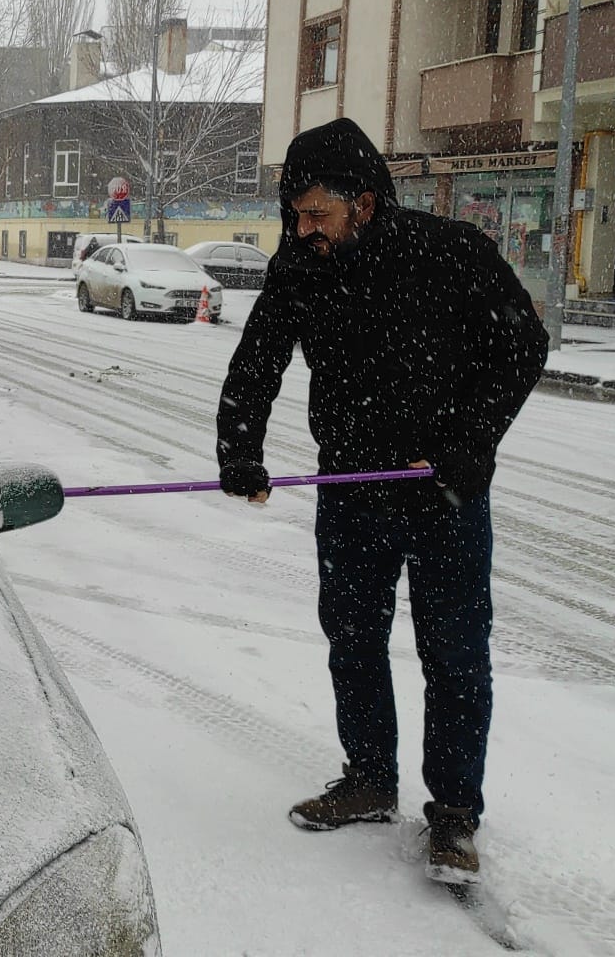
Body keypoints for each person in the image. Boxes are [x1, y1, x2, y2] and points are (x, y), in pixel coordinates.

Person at [215, 117, 548, 883]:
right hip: (351, 485)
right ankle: (369, 779)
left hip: (444, 491)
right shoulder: (301, 265)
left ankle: (455, 816)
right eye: (294, 216)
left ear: (363, 202)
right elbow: (258, 356)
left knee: (456, 655)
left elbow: (522, 347)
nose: (303, 230)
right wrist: (240, 450)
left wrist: (470, 446)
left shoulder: (452, 252)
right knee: (353, 638)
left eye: (317, 215)